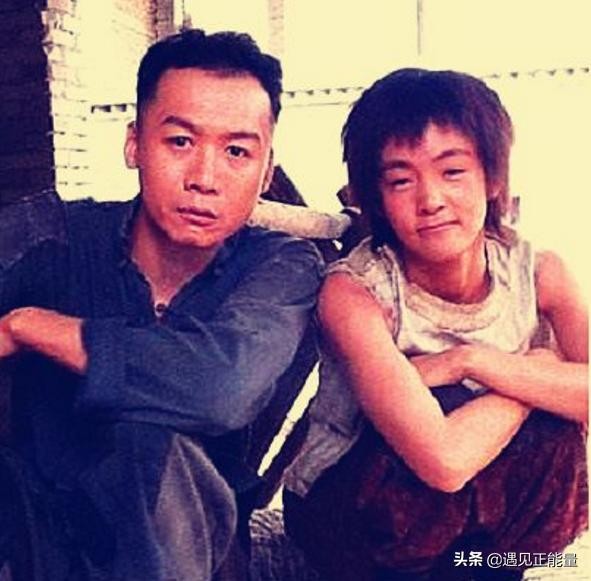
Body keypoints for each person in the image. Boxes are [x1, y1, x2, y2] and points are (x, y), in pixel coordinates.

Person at [0, 29, 323, 580]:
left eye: (237, 152)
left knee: (145, 443)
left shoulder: (280, 266)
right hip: (34, 534)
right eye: (180, 142)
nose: (204, 178)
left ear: (266, 172)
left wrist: (30, 326)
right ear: (134, 145)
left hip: (186, 552)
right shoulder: (54, 235)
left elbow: (221, 388)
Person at [283, 68, 588, 581]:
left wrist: (474, 362)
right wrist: (537, 370)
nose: (430, 200)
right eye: (401, 180)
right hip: (354, 521)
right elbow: (442, 461)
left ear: (493, 178)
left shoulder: (538, 273)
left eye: (453, 172)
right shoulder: (354, 293)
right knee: (462, 406)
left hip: (480, 534)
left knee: (556, 435)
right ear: (375, 198)